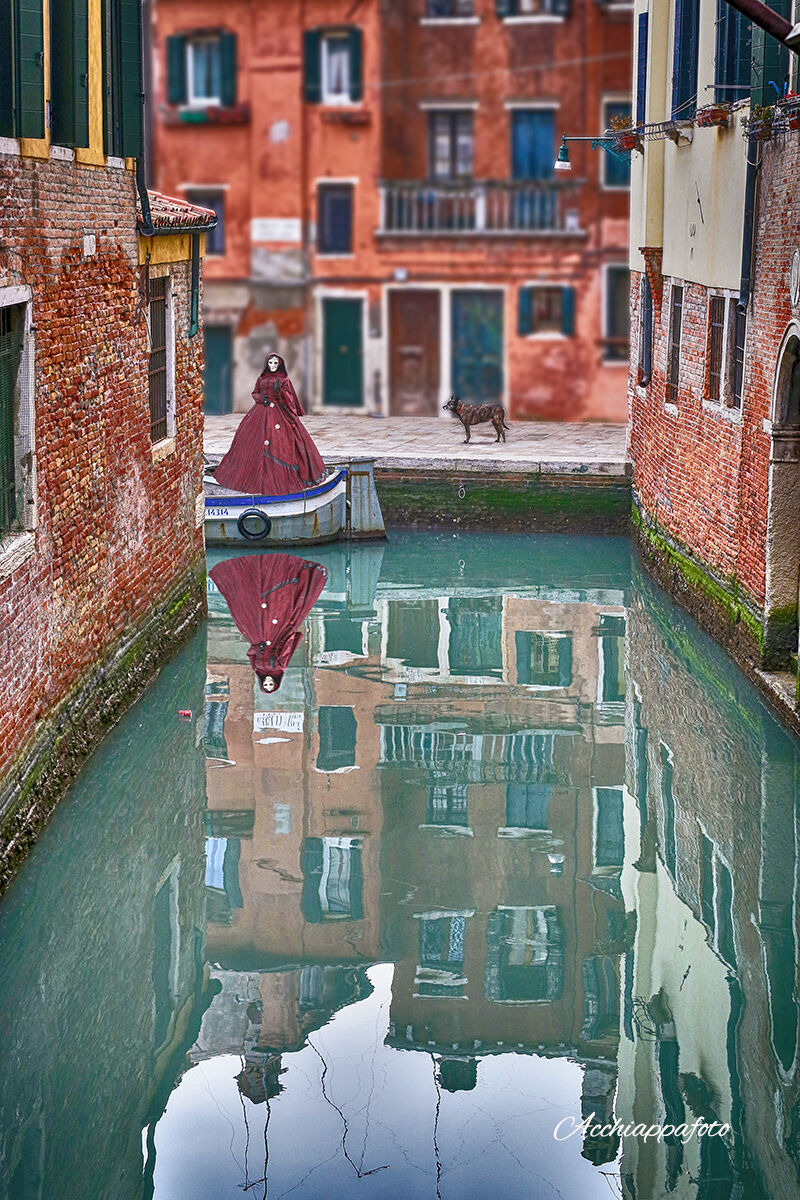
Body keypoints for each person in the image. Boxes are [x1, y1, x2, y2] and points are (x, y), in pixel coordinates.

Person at [208, 552, 328, 692]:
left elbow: (251, 653)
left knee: (246, 607)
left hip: (257, 637)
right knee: (274, 605)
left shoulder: (256, 668)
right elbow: (286, 648)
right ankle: (276, 572)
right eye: (271, 685)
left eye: (266, 685)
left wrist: (257, 647)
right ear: (276, 683)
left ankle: (251, 575)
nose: (268, 683)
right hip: (274, 635)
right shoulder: (280, 666)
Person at [213, 353, 327, 495]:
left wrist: (289, 413)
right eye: (270, 363)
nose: (272, 366)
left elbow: (289, 399)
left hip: (278, 413)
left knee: (280, 442)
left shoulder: (284, 380)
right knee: (248, 439)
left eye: (275, 363)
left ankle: (277, 480)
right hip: (259, 412)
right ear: (267, 364)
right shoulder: (261, 378)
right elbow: (255, 393)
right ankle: (251, 478)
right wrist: (262, 399)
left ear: (279, 364)